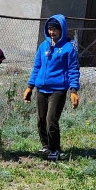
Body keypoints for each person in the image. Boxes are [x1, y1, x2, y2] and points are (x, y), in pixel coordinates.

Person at [23, 15, 80, 161]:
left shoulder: (68, 47)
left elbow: (73, 69)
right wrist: (30, 86)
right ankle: (46, 145)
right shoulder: (43, 46)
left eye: (55, 29)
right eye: (49, 29)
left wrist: (73, 90)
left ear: (62, 30)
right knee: (41, 119)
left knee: (51, 120)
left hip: (58, 90)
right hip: (41, 89)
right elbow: (37, 67)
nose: (51, 32)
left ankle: (55, 149)